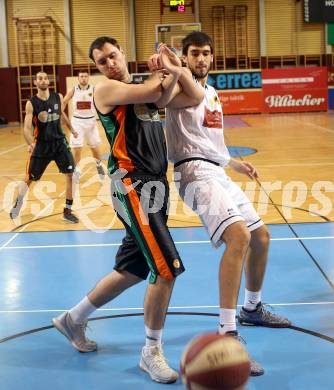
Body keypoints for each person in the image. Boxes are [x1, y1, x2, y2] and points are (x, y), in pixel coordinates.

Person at [52, 36, 204, 384]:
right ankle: (150, 352)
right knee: (165, 269)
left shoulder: (143, 85)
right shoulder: (106, 90)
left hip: (155, 183)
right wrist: (169, 69)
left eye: (113, 56)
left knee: (134, 267)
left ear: (123, 53)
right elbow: (155, 92)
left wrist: (175, 67)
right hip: (132, 184)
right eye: (102, 61)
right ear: (97, 68)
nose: (109, 64)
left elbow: (193, 96)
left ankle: (73, 318)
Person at [149, 31, 291, 376]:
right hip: (193, 173)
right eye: (194, 53)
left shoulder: (212, 93)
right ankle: (228, 333)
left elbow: (214, 142)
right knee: (239, 237)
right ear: (185, 57)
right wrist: (172, 67)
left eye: (206, 53)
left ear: (213, 58)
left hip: (217, 170)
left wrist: (235, 163)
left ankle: (252, 308)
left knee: (261, 237)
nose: (201, 59)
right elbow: (171, 103)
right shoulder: (181, 88)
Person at [10, 71, 79, 223]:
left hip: (60, 143)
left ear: (49, 81)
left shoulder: (58, 97)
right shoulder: (31, 103)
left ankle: (67, 210)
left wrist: (72, 129)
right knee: (29, 178)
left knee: (71, 174)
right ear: (35, 82)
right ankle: (18, 204)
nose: (43, 80)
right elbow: (27, 128)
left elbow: (61, 114)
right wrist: (31, 143)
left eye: (45, 78)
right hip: (41, 145)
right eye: (40, 78)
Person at [62, 71, 105, 183]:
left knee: (95, 148)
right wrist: (60, 112)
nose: (84, 78)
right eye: (81, 76)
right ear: (78, 78)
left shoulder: (94, 89)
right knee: (76, 149)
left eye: (85, 76)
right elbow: (64, 101)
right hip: (77, 122)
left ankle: (99, 165)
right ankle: (76, 170)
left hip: (91, 121)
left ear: (88, 78)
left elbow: (101, 102)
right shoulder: (73, 90)